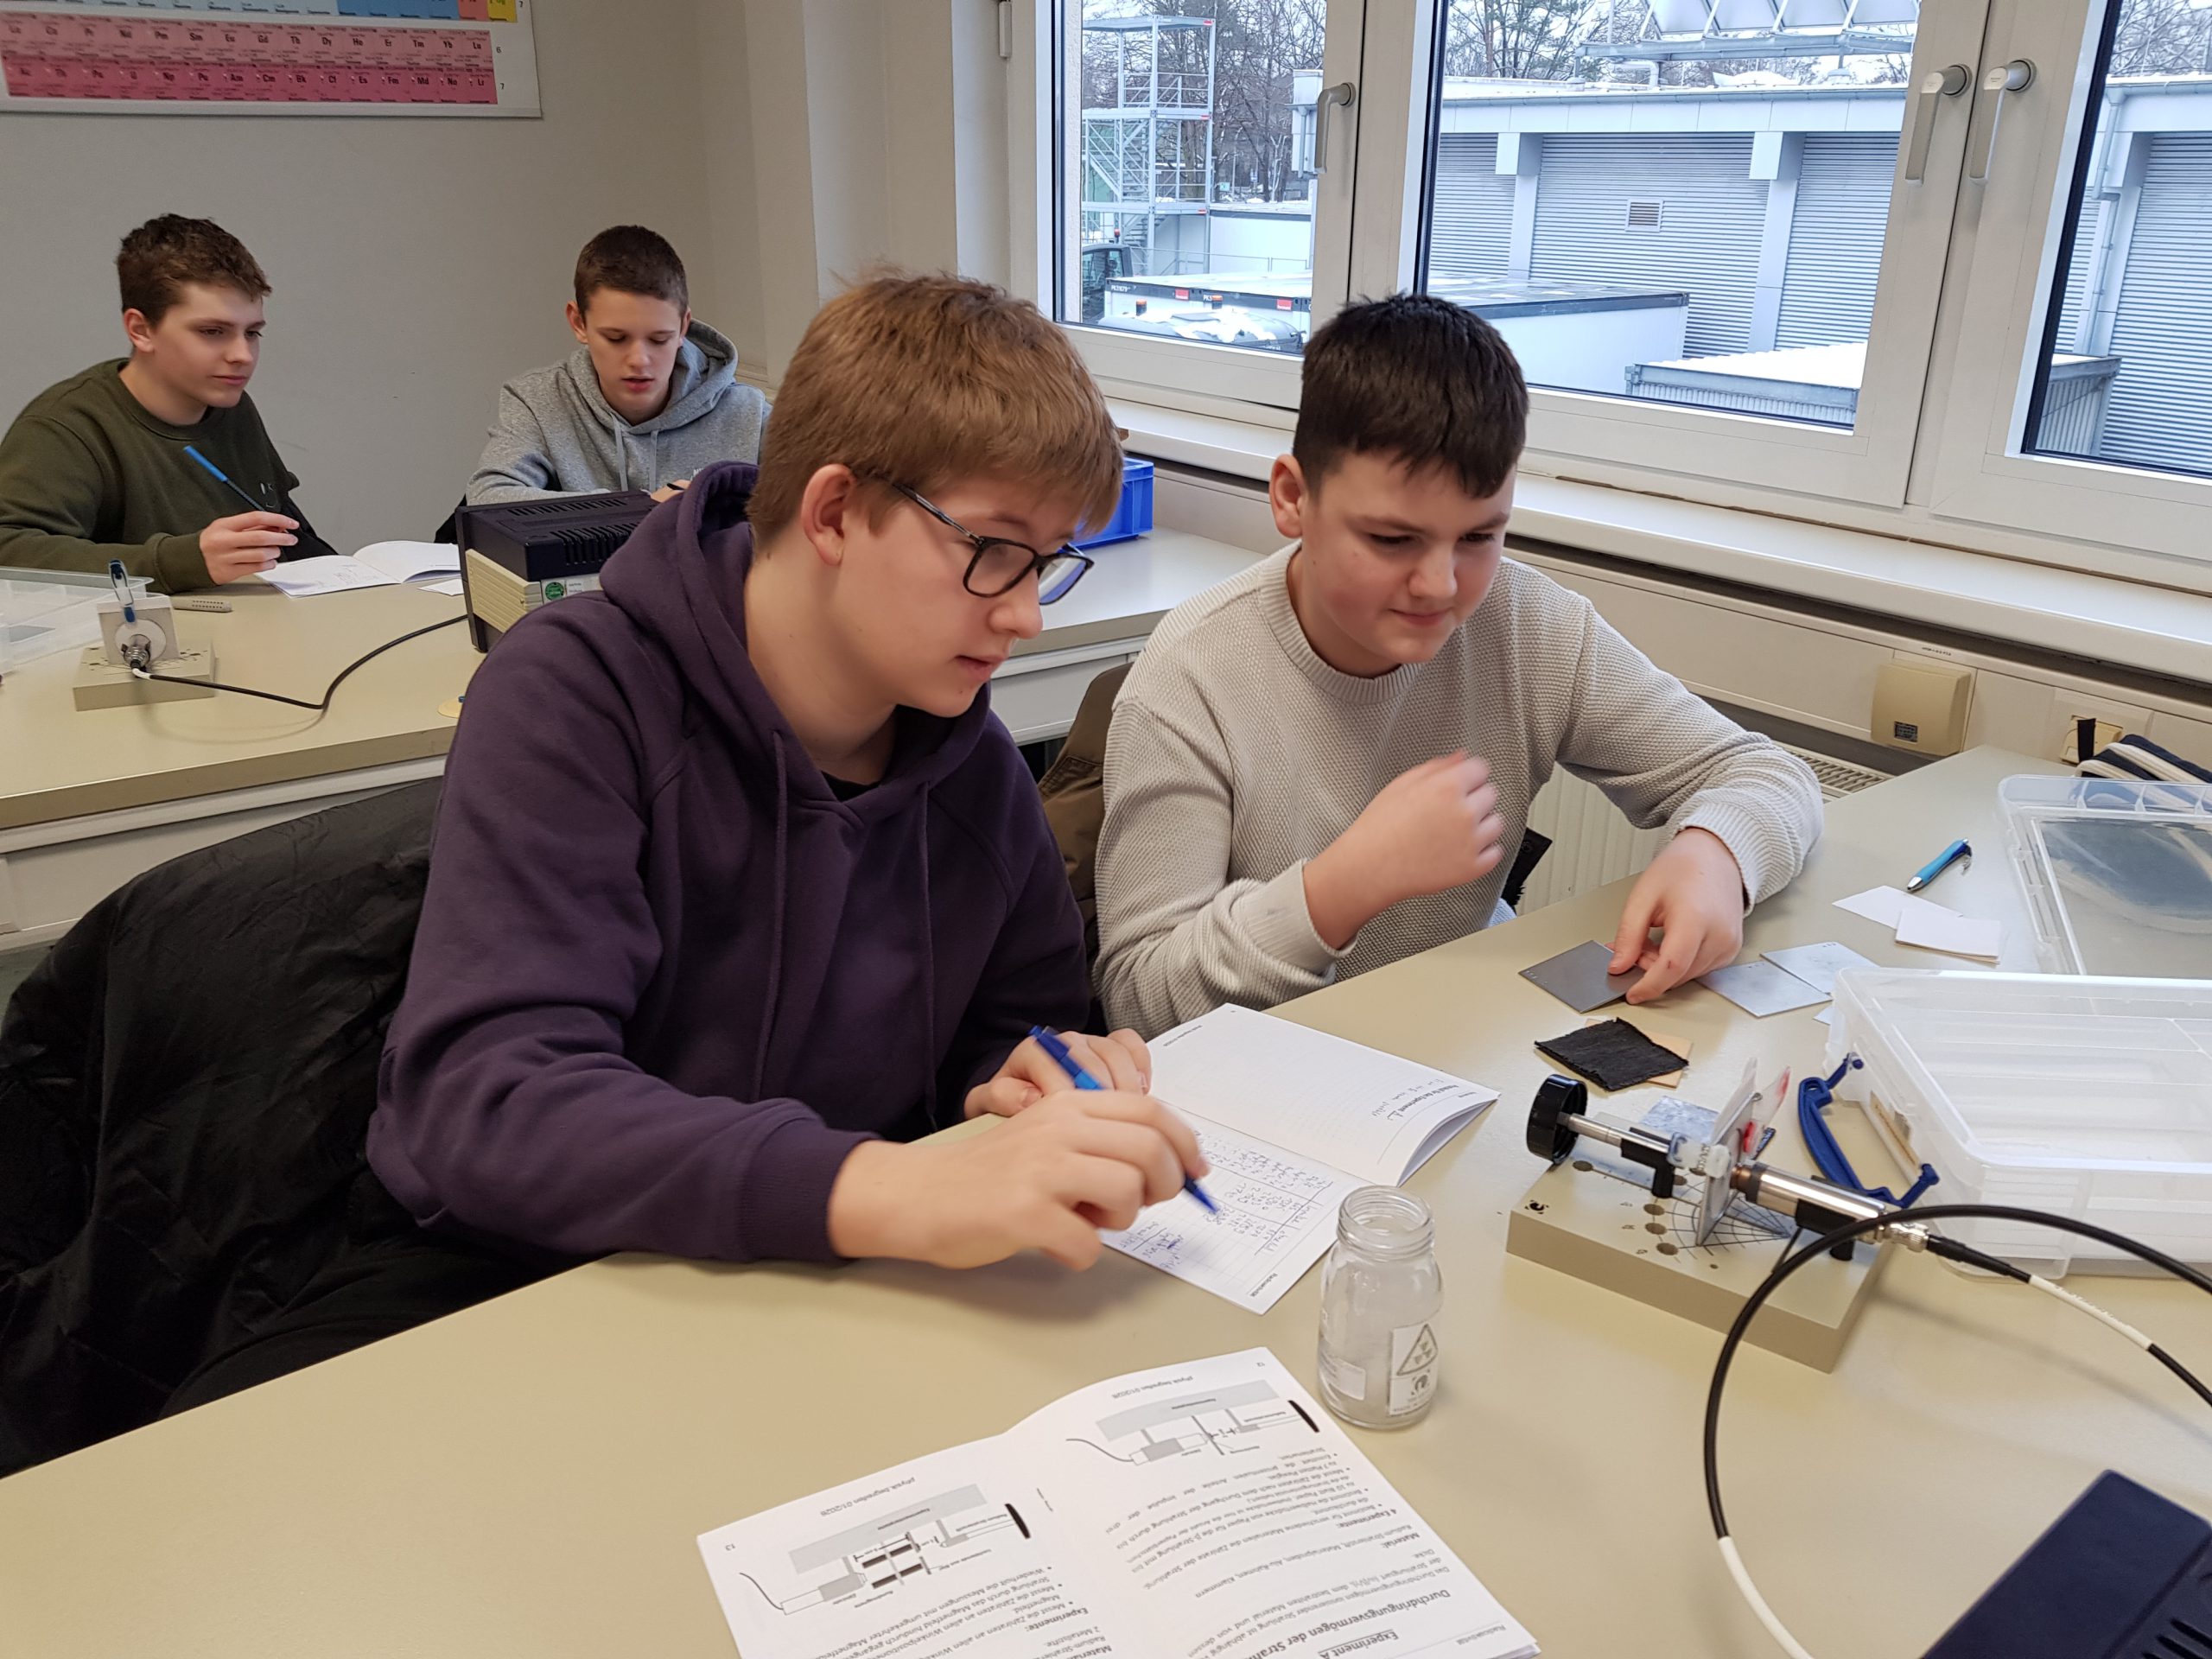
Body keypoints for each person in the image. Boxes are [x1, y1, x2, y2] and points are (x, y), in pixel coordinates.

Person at [1094, 294, 1824, 1038]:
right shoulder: (1190, 679)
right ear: (1292, 498)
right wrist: (1340, 889)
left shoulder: (1530, 624)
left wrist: (1717, 857)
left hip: (1455, 1045)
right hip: (1270, 1075)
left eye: (1478, 538)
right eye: (1391, 540)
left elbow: (1763, 773)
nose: (1440, 585)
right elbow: (1141, 1003)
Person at [0, 214, 334, 590]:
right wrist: (180, 562)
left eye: (252, 333)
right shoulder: (67, 426)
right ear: (140, 330)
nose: (242, 355)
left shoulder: (233, 406)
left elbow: (283, 526)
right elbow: (9, 551)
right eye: (212, 331)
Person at [466, 225, 769, 505]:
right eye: (616, 338)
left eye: (659, 339)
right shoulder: (537, 402)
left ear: (683, 326)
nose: (639, 360)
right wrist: (640, 508)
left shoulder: (751, 416)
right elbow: (488, 497)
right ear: (579, 323)